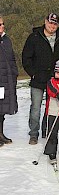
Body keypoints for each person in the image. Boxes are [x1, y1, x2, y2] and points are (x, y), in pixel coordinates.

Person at [22, 13, 59, 145]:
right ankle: (33, 133)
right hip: (38, 78)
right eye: (50, 23)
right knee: (36, 107)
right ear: (45, 21)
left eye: (54, 24)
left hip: (54, 79)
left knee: (51, 107)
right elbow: (26, 58)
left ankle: (47, 130)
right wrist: (33, 73)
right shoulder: (34, 37)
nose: (52, 26)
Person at [0, 16, 18, 145]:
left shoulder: (6, 40)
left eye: (2, 24)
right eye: (0, 24)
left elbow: (11, 59)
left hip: (5, 81)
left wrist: (14, 73)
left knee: (2, 109)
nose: (2, 26)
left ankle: (0, 134)